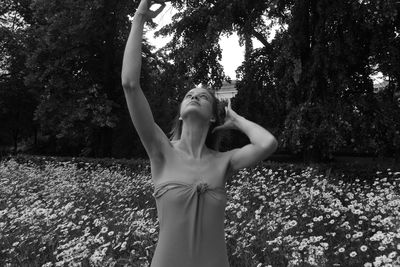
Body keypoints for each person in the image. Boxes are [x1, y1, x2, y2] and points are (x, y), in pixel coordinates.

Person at [121, 0, 278, 266]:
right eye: (189, 95)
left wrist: (236, 119)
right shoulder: (161, 150)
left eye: (203, 96)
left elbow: (268, 143)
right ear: (181, 113)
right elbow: (130, 84)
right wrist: (139, 17)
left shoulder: (223, 162)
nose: (195, 95)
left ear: (214, 115)